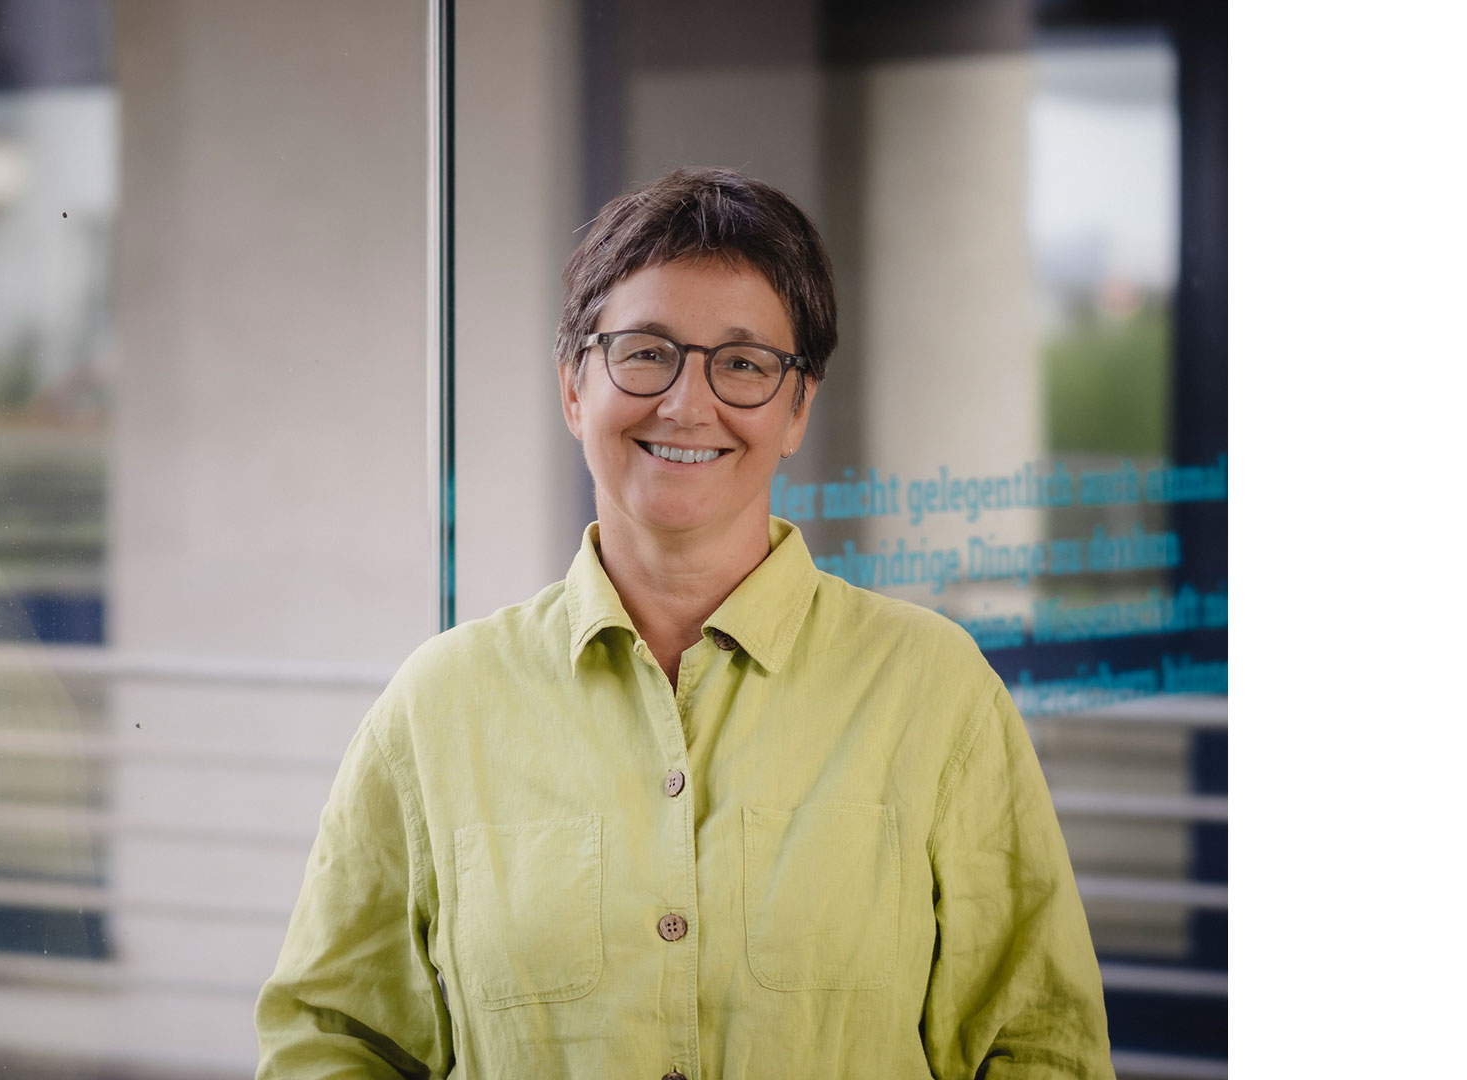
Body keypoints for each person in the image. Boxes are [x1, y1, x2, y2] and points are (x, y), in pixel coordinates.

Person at [255, 167, 1113, 1079]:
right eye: (644, 351)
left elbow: (1041, 1046)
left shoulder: (935, 692)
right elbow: (331, 1040)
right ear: (574, 388)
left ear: (796, 409)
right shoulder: (438, 706)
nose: (686, 403)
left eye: (743, 364)